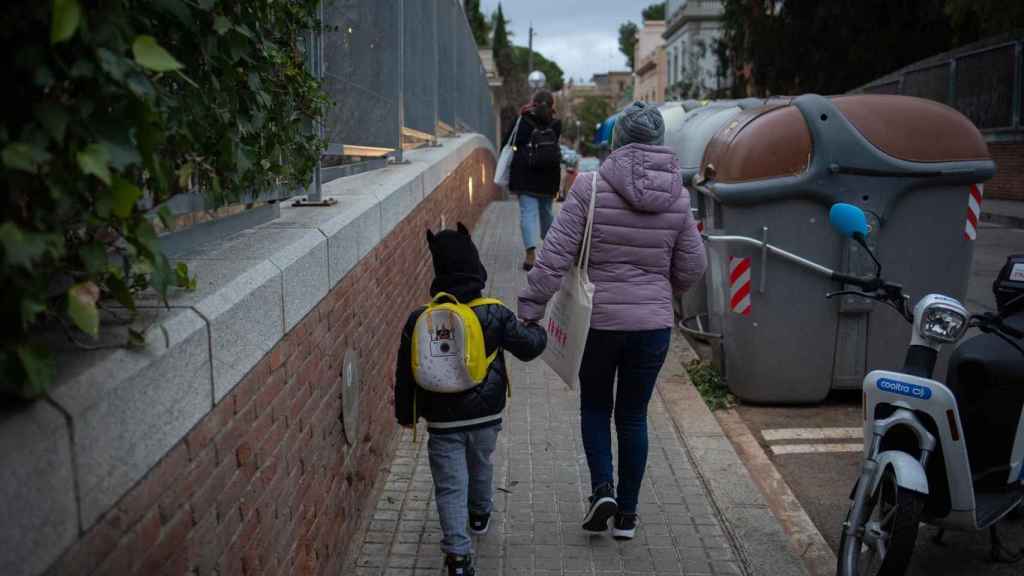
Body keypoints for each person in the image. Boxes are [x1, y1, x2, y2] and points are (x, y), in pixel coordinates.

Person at [517, 101, 707, 539]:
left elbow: (553, 257)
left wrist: (530, 310)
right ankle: (627, 516)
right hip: (652, 327)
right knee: (634, 416)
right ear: (659, 142)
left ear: (617, 140)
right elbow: (693, 267)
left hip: (599, 322)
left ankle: (602, 488)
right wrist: (663, 289)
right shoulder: (678, 195)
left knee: (597, 406)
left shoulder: (591, 186)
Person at [395, 223, 547, 576]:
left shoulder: (420, 319)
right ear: (475, 265)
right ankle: (479, 515)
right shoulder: (493, 311)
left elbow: (405, 373)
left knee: (449, 485)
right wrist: (537, 328)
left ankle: (459, 557)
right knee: (482, 466)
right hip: (486, 417)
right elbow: (528, 349)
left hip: (441, 421)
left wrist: (406, 414)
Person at [502, 90, 563, 271]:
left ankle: (530, 256)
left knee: (528, 213)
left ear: (532, 103)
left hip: (524, 175)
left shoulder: (522, 120)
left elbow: (508, 141)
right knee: (546, 212)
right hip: (548, 175)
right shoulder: (556, 124)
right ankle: (552, 251)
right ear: (552, 106)